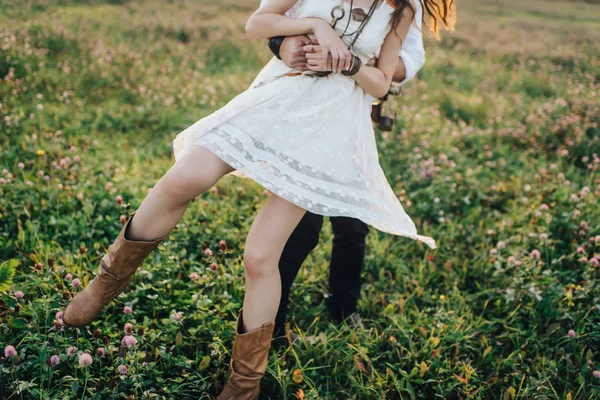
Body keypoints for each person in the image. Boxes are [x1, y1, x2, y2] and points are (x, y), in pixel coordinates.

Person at [61, 0, 455, 398]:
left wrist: (349, 63)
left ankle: (244, 384)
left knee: (261, 256)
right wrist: (316, 26)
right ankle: (103, 284)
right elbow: (257, 24)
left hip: (330, 126)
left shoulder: (404, 9)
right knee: (181, 180)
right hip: (277, 97)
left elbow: (383, 81)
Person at [254, 0, 427, 344]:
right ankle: (274, 322)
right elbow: (275, 18)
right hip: (308, 106)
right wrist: (289, 44)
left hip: (354, 112)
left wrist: (361, 61)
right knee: (301, 228)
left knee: (352, 222)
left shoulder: (405, 6)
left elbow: (410, 57)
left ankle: (344, 307)